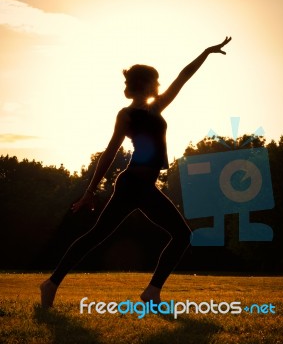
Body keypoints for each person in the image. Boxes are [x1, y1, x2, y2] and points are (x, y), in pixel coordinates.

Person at [40, 36, 232, 308]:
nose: (160, 85)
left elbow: (183, 76)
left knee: (178, 236)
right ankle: (51, 284)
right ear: (144, 83)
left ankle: (150, 291)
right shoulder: (127, 115)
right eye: (155, 80)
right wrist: (89, 192)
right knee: (101, 236)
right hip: (132, 185)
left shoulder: (156, 107)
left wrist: (206, 52)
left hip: (144, 187)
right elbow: (109, 152)